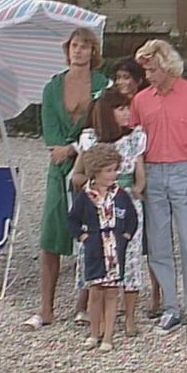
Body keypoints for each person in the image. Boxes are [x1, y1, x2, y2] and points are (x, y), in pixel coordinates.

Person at [131, 39, 187, 342]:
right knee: (158, 243)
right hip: (153, 173)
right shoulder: (141, 101)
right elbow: (135, 143)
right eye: (146, 70)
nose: (148, 76)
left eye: (152, 70)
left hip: (183, 171)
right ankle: (170, 306)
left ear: (167, 67)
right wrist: (140, 178)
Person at [22, 27, 110, 331]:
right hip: (58, 170)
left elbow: (103, 126)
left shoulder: (103, 85)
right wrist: (61, 149)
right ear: (67, 49)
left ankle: (83, 305)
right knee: (51, 236)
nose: (79, 50)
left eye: (85, 46)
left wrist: (74, 148)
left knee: (92, 234)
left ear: (93, 51)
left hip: (91, 165)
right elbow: (50, 130)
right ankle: (45, 308)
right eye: (74, 45)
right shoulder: (52, 87)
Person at [71, 88, 147, 337]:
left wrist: (133, 190)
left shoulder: (135, 137)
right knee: (97, 260)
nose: (127, 113)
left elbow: (140, 176)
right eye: (120, 108)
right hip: (96, 208)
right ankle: (99, 320)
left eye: (127, 108)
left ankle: (130, 317)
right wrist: (95, 186)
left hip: (124, 205)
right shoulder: (90, 138)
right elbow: (76, 175)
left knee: (130, 258)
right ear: (107, 112)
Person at [68, 143, 138, 351]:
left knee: (111, 293)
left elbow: (132, 218)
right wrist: (83, 237)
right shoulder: (85, 196)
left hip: (115, 251)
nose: (113, 174)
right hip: (95, 250)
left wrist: (125, 237)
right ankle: (93, 333)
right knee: (95, 292)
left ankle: (108, 336)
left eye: (115, 170)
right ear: (96, 172)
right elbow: (72, 219)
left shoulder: (121, 195)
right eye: (109, 170)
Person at [110, 58, 163, 320]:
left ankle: (156, 294)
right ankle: (121, 294)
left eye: (126, 77)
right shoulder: (112, 104)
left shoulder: (146, 102)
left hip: (149, 167)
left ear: (137, 80)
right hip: (123, 175)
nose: (122, 82)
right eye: (118, 77)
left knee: (152, 238)